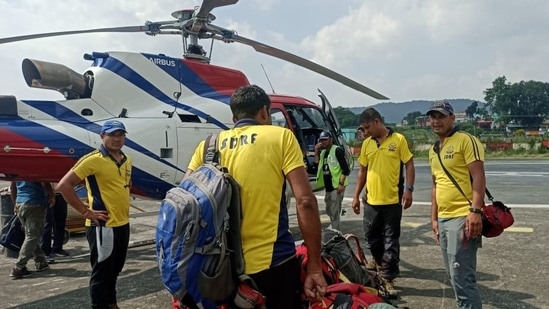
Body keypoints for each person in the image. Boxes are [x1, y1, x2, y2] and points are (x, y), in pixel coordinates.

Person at [184, 85, 327, 308]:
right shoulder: (281, 137)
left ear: (234, 116)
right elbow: (305, 201)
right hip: (274, 263)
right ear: (264, 112)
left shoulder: (208, 145)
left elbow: (185, 200)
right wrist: (315, 267)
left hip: (222, 267)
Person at [56, 119, 132, 309]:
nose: (116, 139)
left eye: (120, 135)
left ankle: (112, 304)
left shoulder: (126, 159)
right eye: (112, 135)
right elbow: (64, 185)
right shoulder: (93, 159)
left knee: (115, 270)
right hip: (103, 226)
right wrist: (85, 212)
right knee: (102, 272)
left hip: (122, 223)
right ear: (102, 136)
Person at [351, 107, 415, 296]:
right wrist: (355, 195)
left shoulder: (398, 140)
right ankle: (379, 264)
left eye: (367, 127)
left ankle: (387, 278)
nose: (365, 132)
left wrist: (409, 190)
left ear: (377, 122)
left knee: (390, 242)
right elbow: (362, 171)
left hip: (392, 202)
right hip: (371, 202)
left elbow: (409, 165)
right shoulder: (367, 145)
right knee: (372, 239)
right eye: (362, 129)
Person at [427, 100, 484, 309]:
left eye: (441, 116)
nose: (436, 121)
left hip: (462, 218)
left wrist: (475, 211)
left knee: (462, 278)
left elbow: (478, 177)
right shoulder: (434, 149)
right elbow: (436, 185)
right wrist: (433, 218)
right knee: (453, 274)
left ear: (452, 118)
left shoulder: (466, 141)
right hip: (444, 220)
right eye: (432, 117)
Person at [9, 181, 54, 279]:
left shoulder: (17, 169)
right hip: (35, 202)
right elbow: (44, 182)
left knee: (31, 234)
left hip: (20, 203)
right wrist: (51, 195)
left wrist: (15, 204)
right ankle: (19, 267)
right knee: (32, 236)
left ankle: (40, 261)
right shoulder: (35, 167)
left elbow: (12, 187)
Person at [313, 131, 351, 231]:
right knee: (329, 210)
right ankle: (334, 227)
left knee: (334, 211)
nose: (323, 142)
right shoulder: (323, 153)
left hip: (336, 186)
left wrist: (341, 184)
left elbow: (345, 169)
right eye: (321, 140)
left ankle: (336, 232)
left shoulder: (337, 150)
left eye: (325, 139)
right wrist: (316, 151)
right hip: (328, 187)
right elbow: (317, 164)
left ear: (331, 139)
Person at [41, 184, 70, 263]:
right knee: (47, 224)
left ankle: (58, 248)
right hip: (47, 195)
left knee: (60, 222)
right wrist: (50, 194)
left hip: (61, 193)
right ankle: (45, 251)